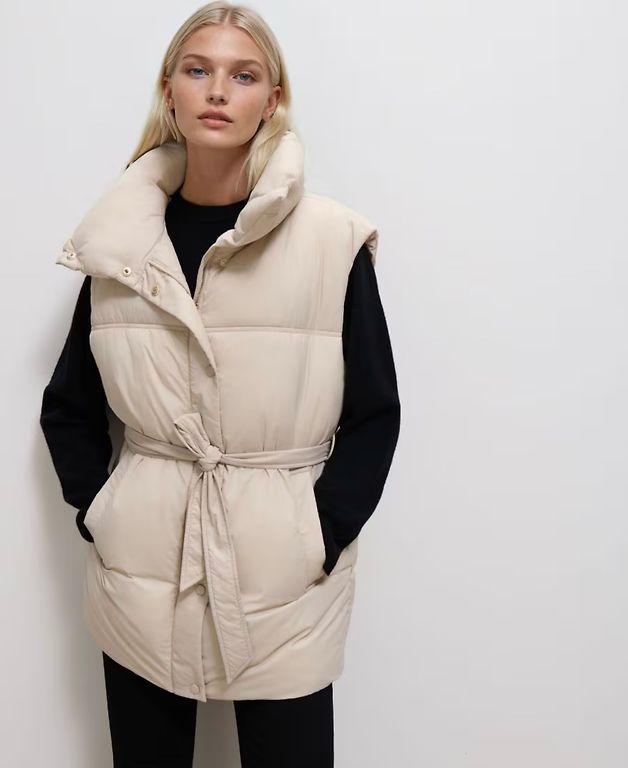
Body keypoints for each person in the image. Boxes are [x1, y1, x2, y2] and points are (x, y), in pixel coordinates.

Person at [40, 2, 401, 765]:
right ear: (168, 88)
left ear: (272, 99)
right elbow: (69, 405)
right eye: (198, 70)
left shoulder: (331, 239)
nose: (217, 91)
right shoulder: (121, 243)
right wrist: (102, 513)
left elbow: (375, 412)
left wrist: (321, 533)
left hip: (283, 573)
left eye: (243, 75)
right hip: (142, 564)